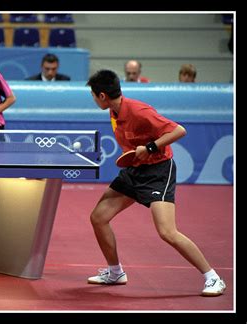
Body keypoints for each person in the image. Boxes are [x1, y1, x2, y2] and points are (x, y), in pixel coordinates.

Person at [84, 69, 226, 297]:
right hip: (134, 171)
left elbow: (179, 130)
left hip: (158, 171)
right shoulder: (113, 110)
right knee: (98, 217)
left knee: (167, 232)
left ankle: (213, 277)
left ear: (102, 95)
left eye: (93, 95)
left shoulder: (138, 111)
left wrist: (150, 147)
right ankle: (115, 272)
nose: (93, 99)